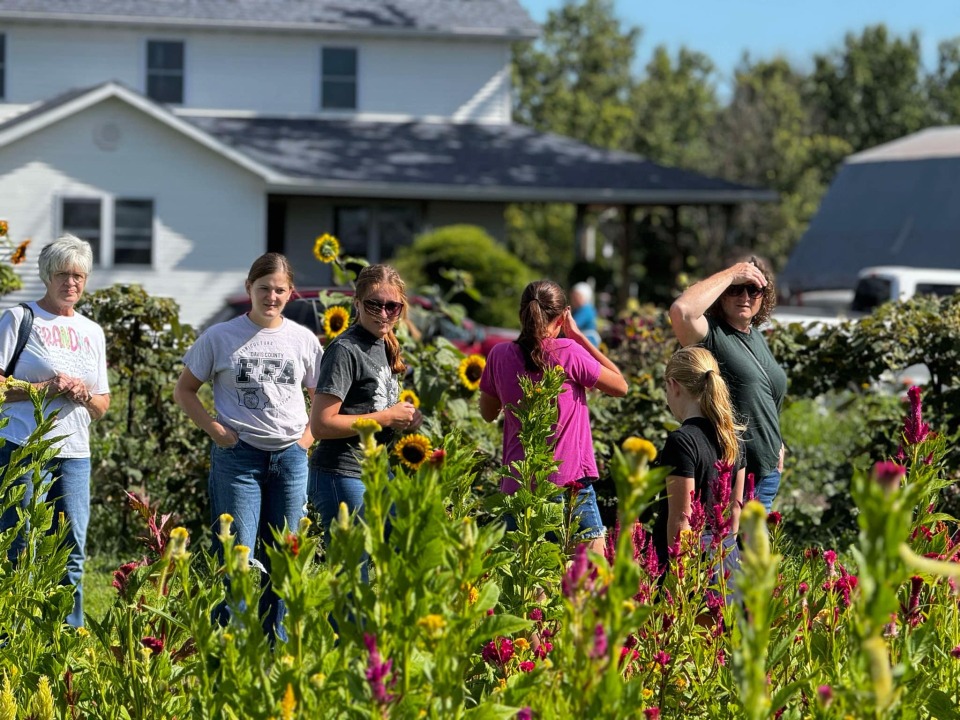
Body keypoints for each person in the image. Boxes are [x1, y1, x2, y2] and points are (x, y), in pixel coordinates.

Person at [174, 252, 322, 641]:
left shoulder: (303, 339)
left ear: (290, 294)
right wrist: (214, 429)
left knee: (285, 555)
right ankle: (234, 642)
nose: (270, 297)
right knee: (236, 555)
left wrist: (306, 439)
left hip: (290, 458)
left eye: (279, 290)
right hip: (238, 458)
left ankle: (277, 643)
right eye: (263, 289)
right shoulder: (220, 337)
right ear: (248, 289)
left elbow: (322, 396)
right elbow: (185, 391)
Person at [0, 234, 110, 628]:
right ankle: (11, 639)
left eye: (79, 276)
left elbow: (102, 405)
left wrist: (82, 394)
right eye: (63, 274)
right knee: (16, 544)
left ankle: (67, 638)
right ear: (47, 275)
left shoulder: (92, 332)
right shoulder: (19, 319)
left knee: (71, 550)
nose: (72, 284)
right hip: (22, 448)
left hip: (74, 454)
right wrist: (43, 390)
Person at [478, 280, 627, 553]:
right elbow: (620, 385)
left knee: (528, 587)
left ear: (521, 313)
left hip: (519, 487)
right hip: (568, 486)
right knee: (591, 585)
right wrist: (579, 337)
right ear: (563, 316)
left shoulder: (499, 355)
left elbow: (487, 414)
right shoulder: (570, 352)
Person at [309, 265, 421, 541]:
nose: (383, 314)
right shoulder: (345, 350)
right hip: (343, 473)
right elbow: (322, 424)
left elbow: (370, 406)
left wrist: (405, 419)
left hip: (376, 471)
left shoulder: (383, 344)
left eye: (392, 307)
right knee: (352, 571)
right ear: (357, 304)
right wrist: (385, 418)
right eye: (374, 305)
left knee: (400, 553)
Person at [669, 257, 787, 512]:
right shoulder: (710, 334)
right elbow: (682, 311)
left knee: (751, 551)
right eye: (735, 288)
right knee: (734, 550)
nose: (744, 296)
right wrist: (733, 272)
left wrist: (779, 444)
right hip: (733, 474)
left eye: (753, 289)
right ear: (721, 294)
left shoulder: (755, 336)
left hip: (765, 475)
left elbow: (765, 397)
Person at [652, 346, 745, 575]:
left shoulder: (681, 441)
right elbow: (734, 513)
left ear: (673, 386)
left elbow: (681, 522)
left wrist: (679, 583)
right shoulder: (734, 441)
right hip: (724, 564)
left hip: (688, 569)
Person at [570, 282, 601, 347]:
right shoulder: (578, 309)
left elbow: (574, 325)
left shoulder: (586, 309)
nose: (574, 299)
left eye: (576, 296)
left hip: (588, 339)